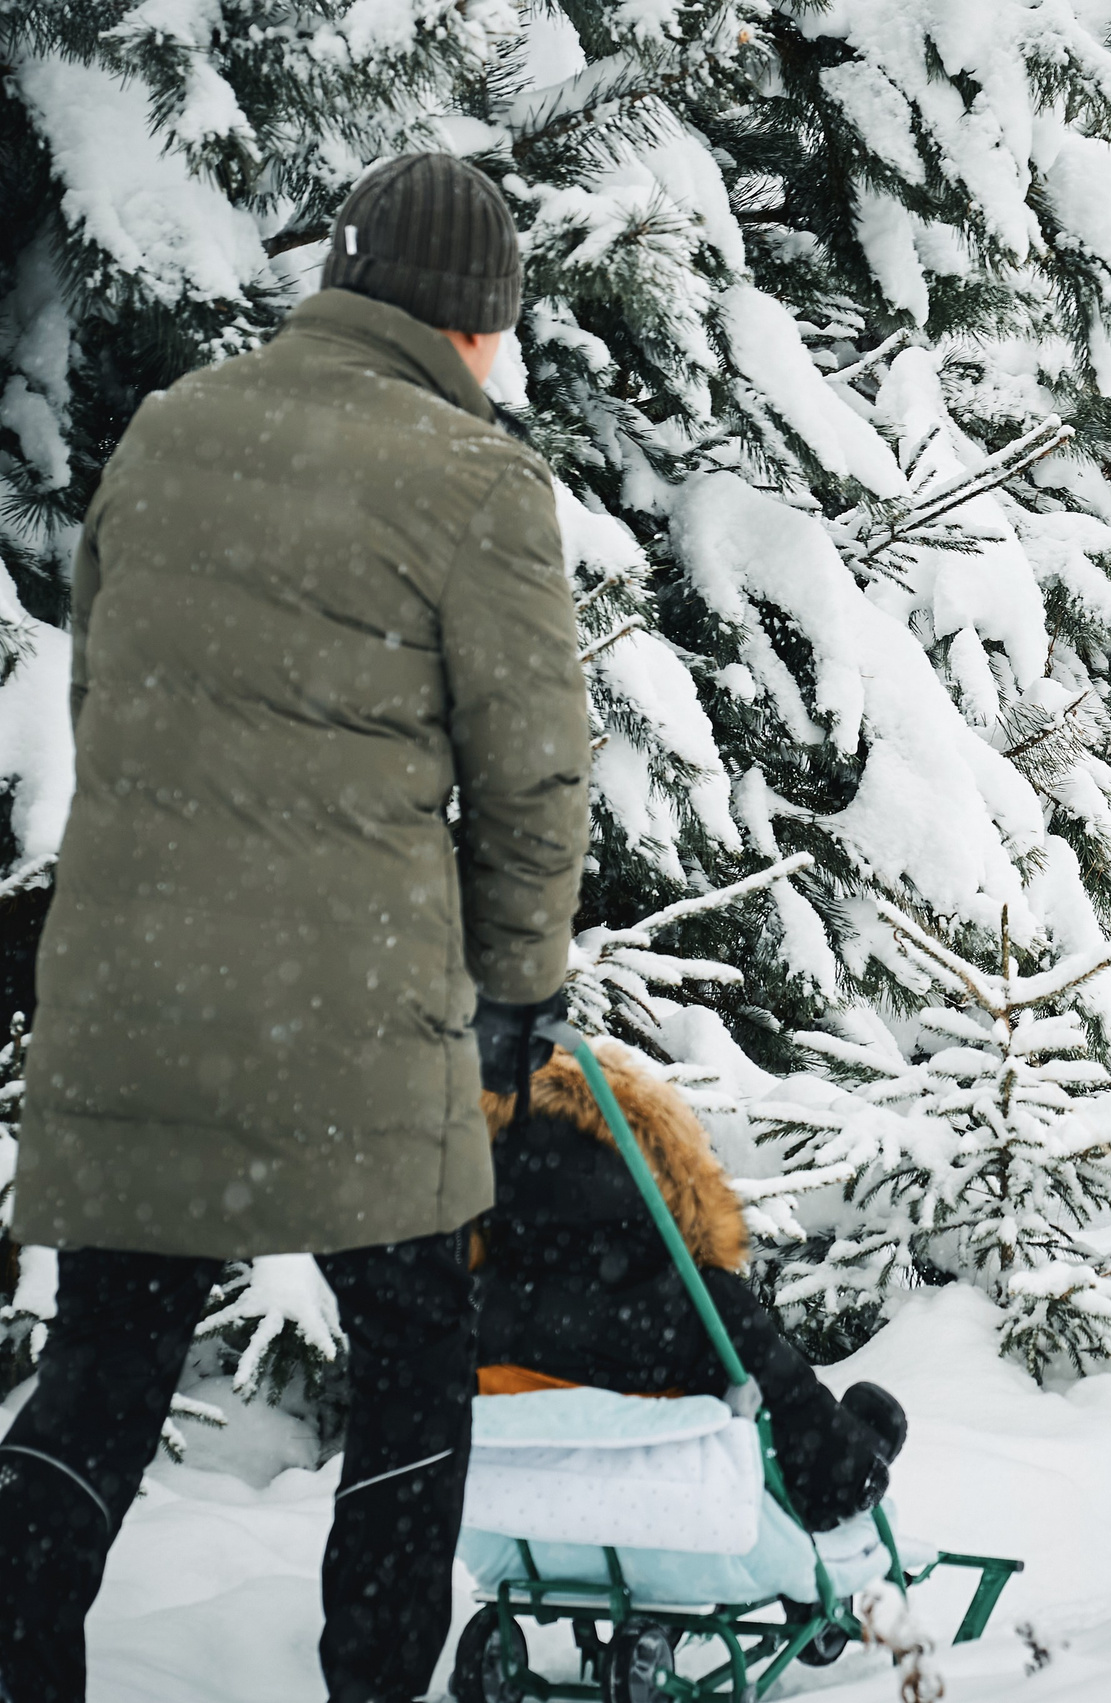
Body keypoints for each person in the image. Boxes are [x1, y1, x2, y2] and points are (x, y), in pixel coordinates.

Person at [0, 155, 589, 1703]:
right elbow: (532, 778)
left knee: (102, 1375)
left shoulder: (174, 429)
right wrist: (519, 988)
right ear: (473, 323)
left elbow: (103, 700)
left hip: (132, 998)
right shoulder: (479, 484)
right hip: (351, 1029)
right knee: (412, 1356)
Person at [471, 1043, 905, 1531]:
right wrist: (852, 1470)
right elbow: (787, 1406)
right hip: (671, 1529)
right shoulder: (688, 1306)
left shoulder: (472, 1306)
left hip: (526, 1530)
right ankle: (849, 1448)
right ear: (658, 1175)